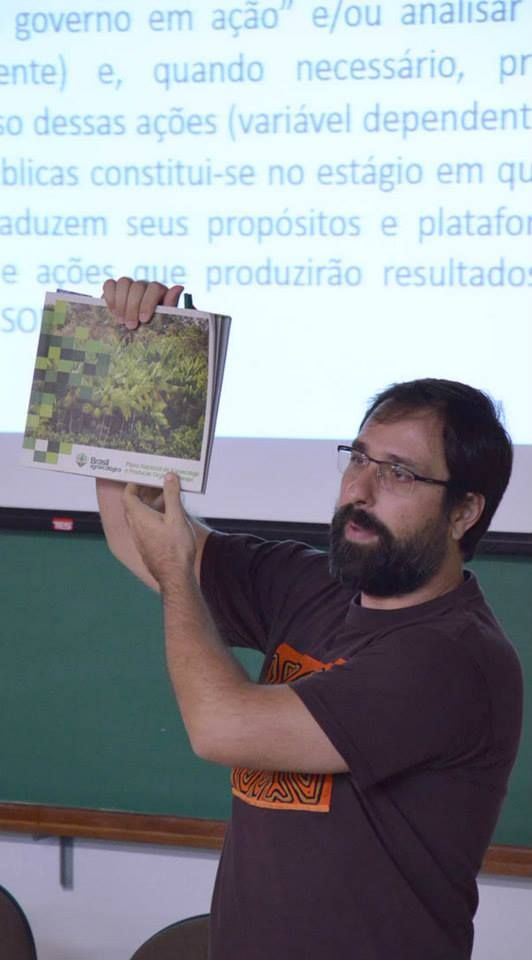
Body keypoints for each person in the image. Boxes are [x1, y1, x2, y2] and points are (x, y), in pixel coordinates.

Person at [97, 277, 523, 960]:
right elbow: (134, 529)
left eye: (400, 473)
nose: (359, 488)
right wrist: (136, 360)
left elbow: (221, 726)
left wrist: (178, 572)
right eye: (358, 457)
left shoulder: (452, 659)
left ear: (464, 512)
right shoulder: (311, 585)